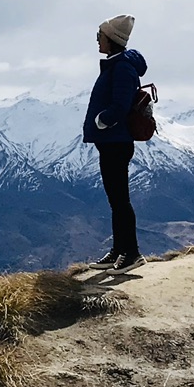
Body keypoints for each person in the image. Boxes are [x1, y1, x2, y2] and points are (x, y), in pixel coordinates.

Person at [82, 14, 147, 269]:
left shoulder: (121, 68)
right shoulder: (118, 65)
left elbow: (120, 105)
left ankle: (131, 253)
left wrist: (102, 120)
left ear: (111, 39)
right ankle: (119, 251)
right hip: (113, 141)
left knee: (120, 200)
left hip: (115, 142)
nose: (98, 40)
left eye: (100, 36)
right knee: (116, 199)